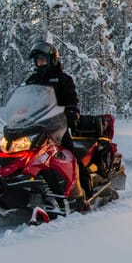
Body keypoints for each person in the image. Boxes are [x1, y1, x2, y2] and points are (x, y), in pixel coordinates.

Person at [25, 40, 88, 199]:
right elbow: (25, 99)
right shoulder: (32, 80)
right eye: (38, 60)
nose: (40, 63)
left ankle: (84, 192)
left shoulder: (63, 79)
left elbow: (71, 99)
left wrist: (71, 111)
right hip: (33, 128)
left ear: (52, 59)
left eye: (43, 59)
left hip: (56, 128)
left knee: (71, 156)